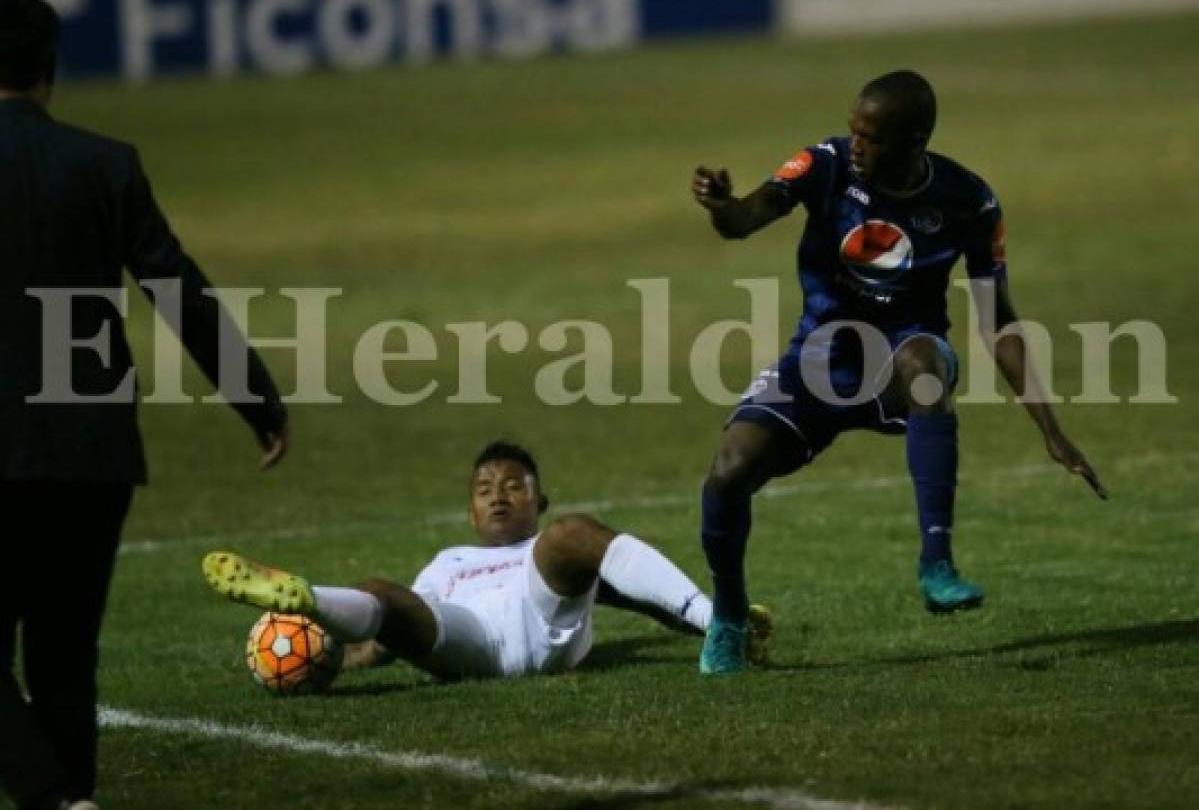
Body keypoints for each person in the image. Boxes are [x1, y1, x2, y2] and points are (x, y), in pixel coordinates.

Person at [690, 70, 1106, 675]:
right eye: (854, 130)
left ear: (914, 142)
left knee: (923, 361)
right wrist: (723, 206)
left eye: (871, 136)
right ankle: (728, 619)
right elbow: (746, 218)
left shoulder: (970, 202)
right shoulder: (824, 164)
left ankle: (937, 563)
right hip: (818, 359)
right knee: (728, 471)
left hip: (903, 359)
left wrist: (1049, 426)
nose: (855, 144)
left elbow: (999, 320)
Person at [0, 0, 289, 810]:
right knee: (65, 657)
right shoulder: (105, 163)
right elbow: (178, 291)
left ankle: (52, 797)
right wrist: (256, 399)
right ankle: (71, 798)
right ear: (50, 69)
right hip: (93, 452)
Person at [204, 441, 770, 680]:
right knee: (381, 590)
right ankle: (308, 598)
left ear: (536, 500)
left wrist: (702, 618)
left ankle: (721, 619)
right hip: (466, 641)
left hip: (541, 617)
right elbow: (401, 628)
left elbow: (646, 600)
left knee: (574, 532)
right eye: (484, 489)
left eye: (513, 487)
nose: (498, 496)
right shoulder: (448, 560)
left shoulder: (548, 549)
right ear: (472, 512)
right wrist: (336, 661)